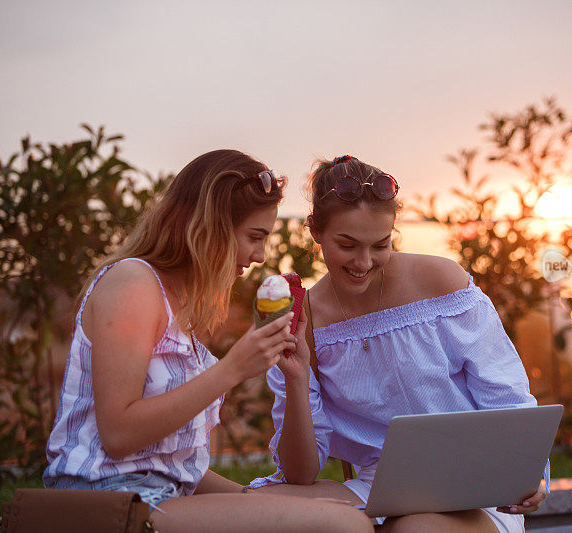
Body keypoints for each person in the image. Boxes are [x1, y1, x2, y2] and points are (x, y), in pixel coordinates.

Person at [43, 150, 373, 533]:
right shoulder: (132, 284)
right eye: (254, 237)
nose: (258, 256)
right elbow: (118, 436)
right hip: (106, 502)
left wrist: (260, 501)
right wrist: (232, 369)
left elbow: (176, 468)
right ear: (209, 225)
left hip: (157, 498)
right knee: (342, 527)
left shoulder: (178, 310)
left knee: (339, 509)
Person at [248, 155, 549, 532]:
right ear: (315, 232)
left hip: (475, 491)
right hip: (377, 492)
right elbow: (300, 472)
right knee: (259, 511)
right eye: (347, 244)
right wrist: (294, 375)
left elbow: (508, 399)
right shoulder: (307, 320)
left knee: (413, 529)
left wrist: (527, 475)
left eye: (380, 245)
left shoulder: (442, 283)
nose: (364, 262)